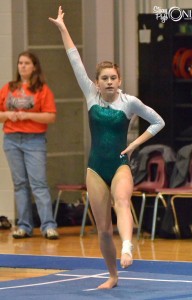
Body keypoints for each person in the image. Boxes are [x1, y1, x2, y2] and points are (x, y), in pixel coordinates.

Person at [49, 6, 165, 289]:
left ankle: (127, 246)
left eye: (114, 78)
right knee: (102, 230)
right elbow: (74, 59)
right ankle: (112, 275)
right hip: (95, 168)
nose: (110, 82)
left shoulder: (130, 102)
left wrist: (134, 145)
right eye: (104, 79)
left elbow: (158, 122)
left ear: (120, 80)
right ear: (97, 84)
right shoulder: (91, 95)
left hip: (119, 163)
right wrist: (64, 28)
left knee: (123, 202)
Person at [0, 51, 59, 240]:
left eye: (26, 63)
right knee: (19, 184)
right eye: (20, 63)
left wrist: (27, 115)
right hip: (12, 139)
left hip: (34, 139)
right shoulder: (9, 88)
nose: (22, 66)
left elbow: (50, 116)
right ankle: (24, 225)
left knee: (39, 184)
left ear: (34, 67)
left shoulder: (42, 90)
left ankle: (48, 225)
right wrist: (8, 115)